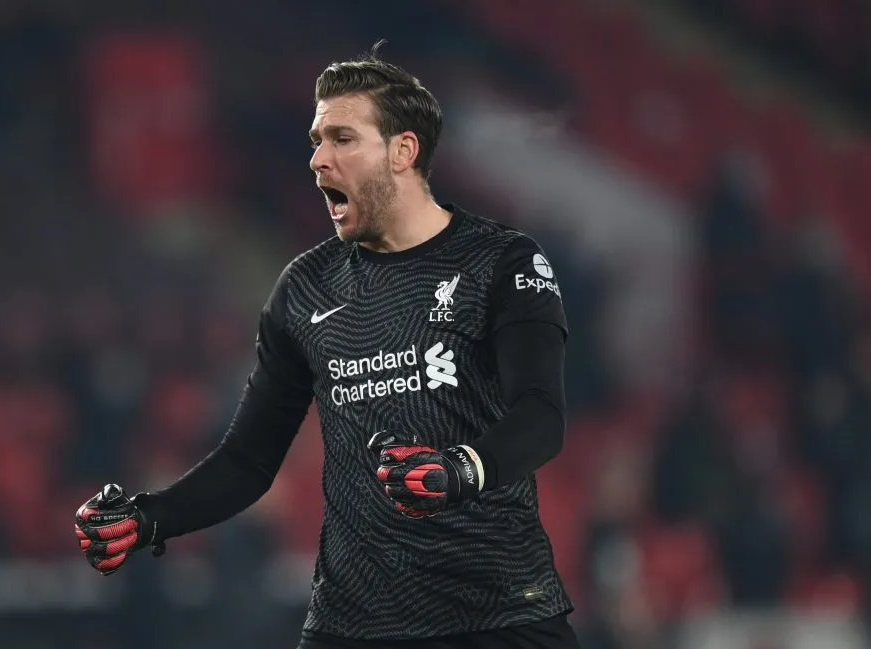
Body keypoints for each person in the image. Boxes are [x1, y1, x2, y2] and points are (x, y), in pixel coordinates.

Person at [74, 41, 580, 649]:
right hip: (356, 622)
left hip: (493, 614)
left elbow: (540, 417)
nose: (318, 160)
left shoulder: (503, 262)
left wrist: (460, 469)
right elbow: (248, 463)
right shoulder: (304, 289)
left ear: (403, 151)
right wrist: (150, 516)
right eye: (317, 139)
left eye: (342, 139)